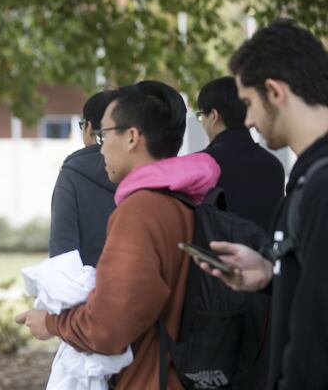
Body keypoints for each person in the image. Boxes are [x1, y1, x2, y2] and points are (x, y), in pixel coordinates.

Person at [17, 81, 222, 389]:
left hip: (147, 376)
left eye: (104, 134)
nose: (100, 147)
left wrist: (50, 323)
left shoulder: (140, 211)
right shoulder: (186, 199)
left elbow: (108, 328)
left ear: (130, 137)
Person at [199, 20, 328, 389]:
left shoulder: (321, 186)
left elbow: (316, 342)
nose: (250, 120)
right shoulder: (311, 176)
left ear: (274, 91)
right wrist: (272, 273)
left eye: (248, 104)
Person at [197, 76, 285, 230]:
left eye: (201, 116)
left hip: (214, 253)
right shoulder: (274, 165)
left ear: (213, 115)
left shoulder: (199, 164)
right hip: (263, 253)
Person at [49, 91, 117, 266]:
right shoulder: (144, 169)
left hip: (88, 289)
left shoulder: (72, 173)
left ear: (88, 127)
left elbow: (62, 251)